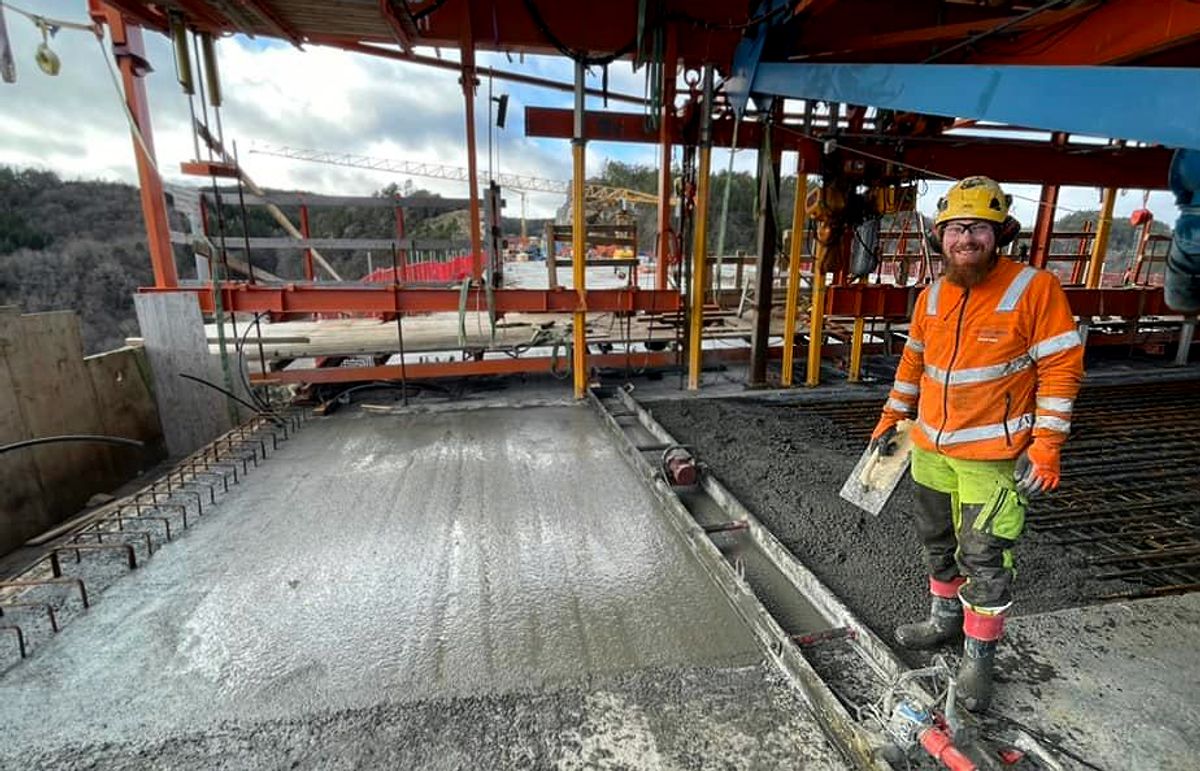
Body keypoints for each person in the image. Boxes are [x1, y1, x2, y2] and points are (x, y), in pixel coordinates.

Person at [869, 176, 1084, 712]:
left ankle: (978, 659)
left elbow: (1061, 367)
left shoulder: (1033, 289)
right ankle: (944, 621)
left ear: (999, 233)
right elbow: (914, 363)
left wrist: (1047, 445)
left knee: (986, 558)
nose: (966, 238)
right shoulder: (933, 295)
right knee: (937, 541)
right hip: (930, 451)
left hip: (992, 459)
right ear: (941, 237)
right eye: (956, 229)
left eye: (978, 228)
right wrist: (892, 417)